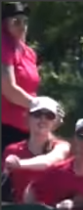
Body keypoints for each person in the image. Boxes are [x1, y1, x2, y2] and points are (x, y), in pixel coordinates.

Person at [2, 96, 69, 202]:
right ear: (27, 117)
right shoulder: (12, 150)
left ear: (55, 122)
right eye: (37, 114)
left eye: (49, 116)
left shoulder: (62, 146)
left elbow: (49, 161)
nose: (43, 119)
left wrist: (19, 164)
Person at [1, 2, 37, 151]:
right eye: (16, 22)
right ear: (4, 25)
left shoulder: (29, 53)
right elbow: (8, 89)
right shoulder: (3, 46)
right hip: (5, 128)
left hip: (27, 127)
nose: (22, 26)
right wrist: (40, 105)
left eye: (25, 22)